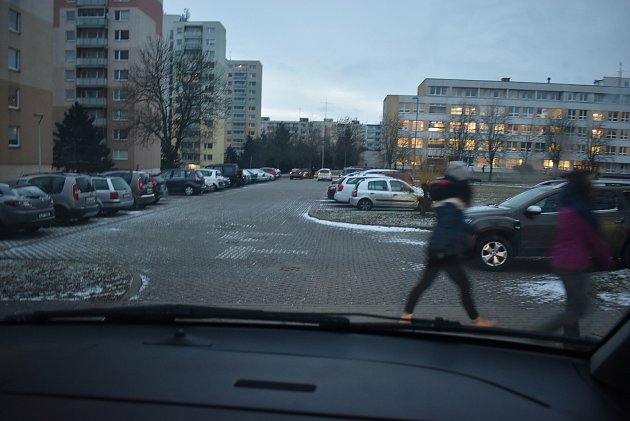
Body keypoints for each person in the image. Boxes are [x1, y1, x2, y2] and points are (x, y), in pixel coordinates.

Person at [401, 161, 496, 327]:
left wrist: (469, 228)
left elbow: (453, 222)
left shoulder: (448, 200)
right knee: (463, 285)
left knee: (424, 285)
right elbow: (451, 224)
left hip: (439, 248)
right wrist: (474, 229)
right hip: (445, 251)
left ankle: (406, 315)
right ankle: (477, 320)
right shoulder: (452, 202)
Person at [538, 170, 613, 337]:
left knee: (573, 305)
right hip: (574, 263)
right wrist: (607, 262)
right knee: (580, 307)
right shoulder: (583, 210)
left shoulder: (566, 205)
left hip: (562, 261)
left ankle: (571, 340)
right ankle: (542, 332)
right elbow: (595, 240)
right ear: (584, 186)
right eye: (590, 183)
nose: (594, 186)